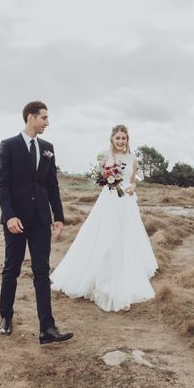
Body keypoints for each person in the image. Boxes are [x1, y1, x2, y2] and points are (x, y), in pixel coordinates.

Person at [50, 124, 158, 312]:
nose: (120, 141)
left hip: (126, 201)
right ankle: (101, 282)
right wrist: (110, 179)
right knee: (105, 237)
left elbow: (132, 182)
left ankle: (123, 279)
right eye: (117, 138)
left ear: (127, 140)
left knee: (125, 238)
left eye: (123, 138)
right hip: (109, 200)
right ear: (112, 139)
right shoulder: (105, 156)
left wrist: (132, 188)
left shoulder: (133, 159)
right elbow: (102, 178)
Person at [0, 100, 73, 344]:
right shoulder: (8, 146)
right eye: (44, 118)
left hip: (40, 220)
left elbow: (52, 185)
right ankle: (6, 318)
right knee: (12, 269)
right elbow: (2, 184)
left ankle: (47, 329)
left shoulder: (48, 148)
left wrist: (58, 217)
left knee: (41, 271)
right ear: (31, 117)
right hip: (15, 221)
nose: (47, 123)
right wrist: (9, 216)